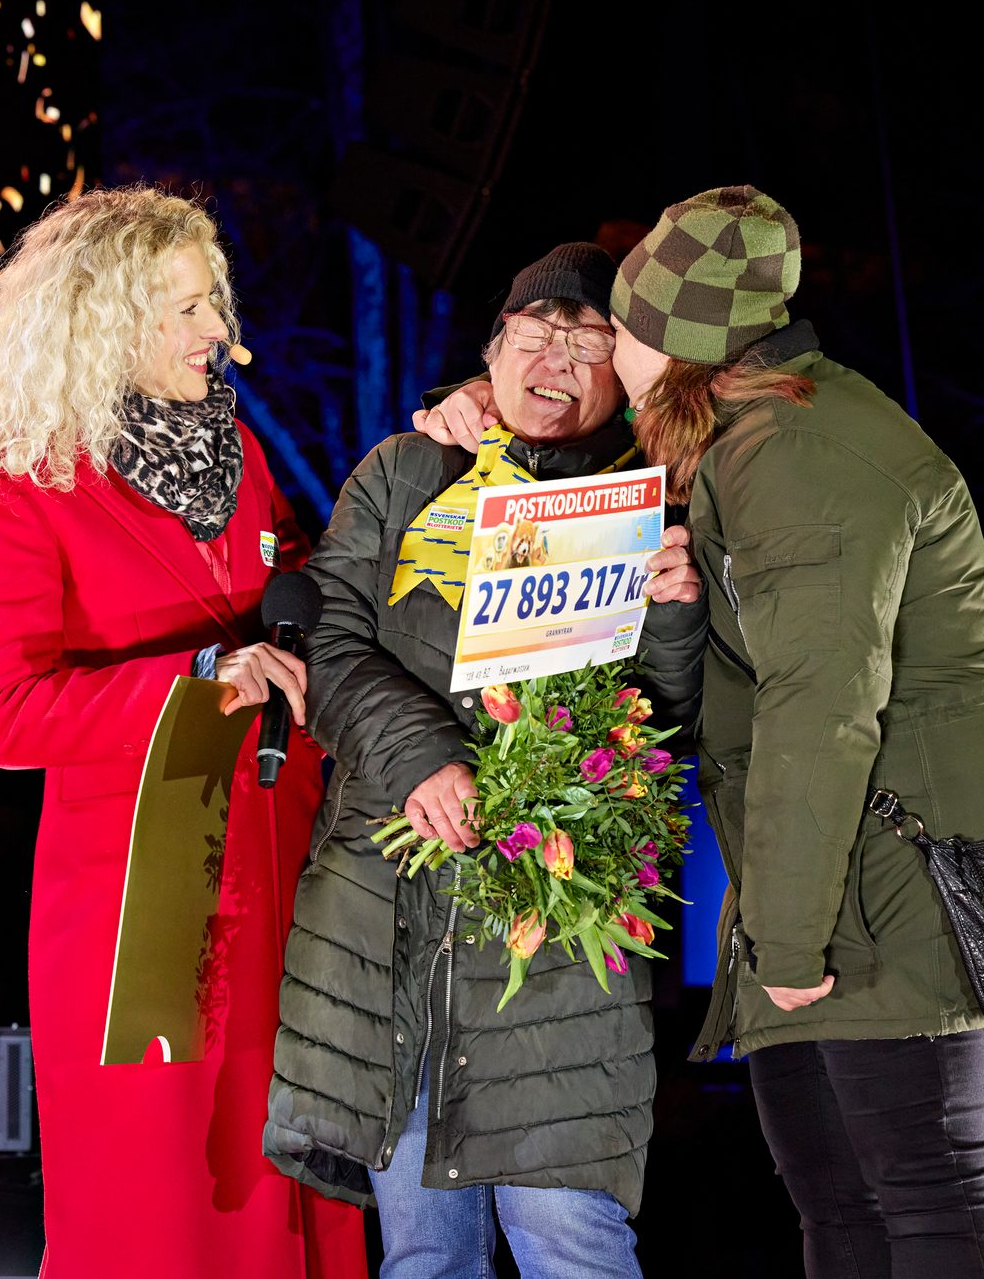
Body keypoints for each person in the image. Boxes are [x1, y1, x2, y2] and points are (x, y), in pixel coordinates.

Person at [0, 186, 366, 1278]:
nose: (217, 332)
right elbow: (8, 715)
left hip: (288, 878)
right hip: (143, 909)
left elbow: (285, 603)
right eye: (183, 308)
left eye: (211, 302)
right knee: (172, 1212)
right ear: (98, 318)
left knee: (299, 1188)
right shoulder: (18, 487)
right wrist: (204, 677)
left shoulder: (239, 458)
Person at [613, 185, 984, 1278]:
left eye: (620, 330)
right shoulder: (747, 440)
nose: (610, 357)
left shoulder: (798, 453)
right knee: (839, 1202)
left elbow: (822, 702)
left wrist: (791, 936)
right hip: (833, 877)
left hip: (896, 876)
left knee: (927, 1188)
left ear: (677, 344)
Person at [261, 242, 706, 1278]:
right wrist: (421, 759)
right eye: (533, 334)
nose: (554, 358)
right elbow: (325, 647)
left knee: (573, 1243)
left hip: (552, 945)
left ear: (625, 373)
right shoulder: (406, 473)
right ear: (491, 351)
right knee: (424, 1257)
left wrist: (677, 618)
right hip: (389, 921)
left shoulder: (643, 508)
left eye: (588, 341)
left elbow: (667, 730)